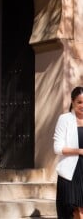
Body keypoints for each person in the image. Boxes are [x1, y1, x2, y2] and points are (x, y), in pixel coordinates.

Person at [53, 86, 83, 218]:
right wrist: (79, 151)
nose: (82, 105)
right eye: (79, 102)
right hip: (71, 172)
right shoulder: (64, 119)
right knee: (75, 210)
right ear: (72, 101)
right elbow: (57, 148)